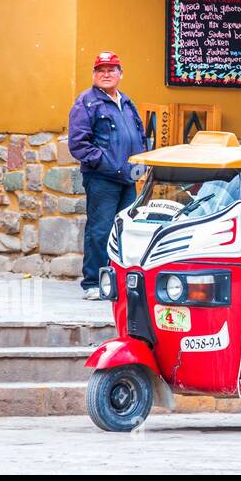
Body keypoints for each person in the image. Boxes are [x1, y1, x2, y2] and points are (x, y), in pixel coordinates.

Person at [67, 52, 146, 300]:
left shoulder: (127, 102)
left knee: (126, 232)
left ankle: (118, 283)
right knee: (100, 231)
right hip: (102, 179)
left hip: (128, 178)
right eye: (101, 70)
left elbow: (139, 135)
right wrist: (109, 165)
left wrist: (141, 162)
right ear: (94, 75)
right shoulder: (86, 102)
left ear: (121, 74)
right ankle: (93, 283)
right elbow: (79, 145)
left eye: (112, 69)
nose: (106, 74)